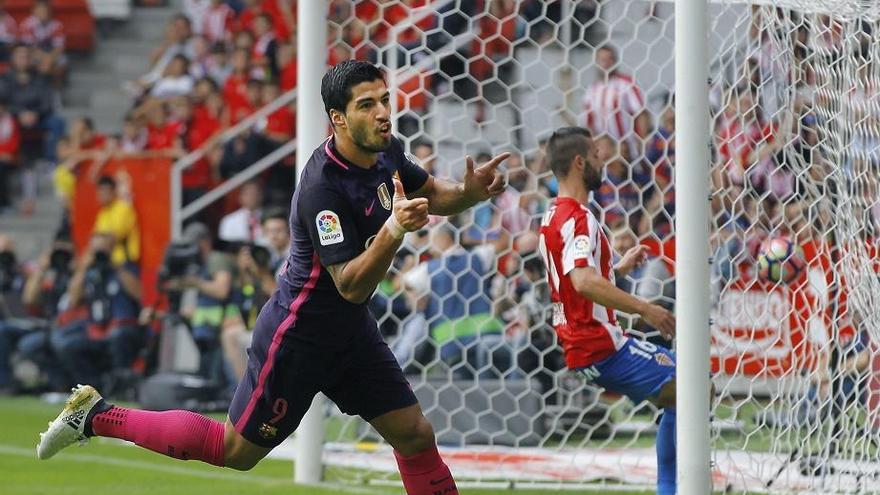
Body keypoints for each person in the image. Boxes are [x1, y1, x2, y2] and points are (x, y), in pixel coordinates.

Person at [38, 60, 507, 495]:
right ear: (338, 119)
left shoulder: (385, 154)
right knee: (235, 452)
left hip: (350, 334)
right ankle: (97, 416)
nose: (384, 113)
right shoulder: (322, 188)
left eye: (385, 99)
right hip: (297, 339)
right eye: (368, 105)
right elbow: (351, 284)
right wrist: (393, 230)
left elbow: (431, 193)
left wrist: (469, 193)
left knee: (414, 433)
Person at [537, 127, 677, 495]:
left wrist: (617, 268)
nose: (604, 162)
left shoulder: (553, 215)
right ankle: (671, 487)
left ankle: (674, 484)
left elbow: (575, 279)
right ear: (580, 162)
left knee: (683, 390)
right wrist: (645, 308)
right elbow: (582, 281)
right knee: (692, 388)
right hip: (599, 344)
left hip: (582, 344)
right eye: (598, 155)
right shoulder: (578, 218)